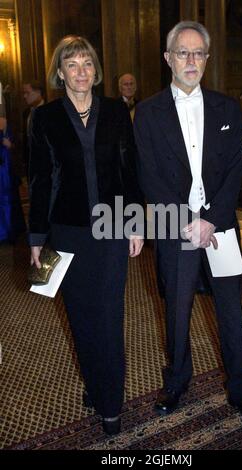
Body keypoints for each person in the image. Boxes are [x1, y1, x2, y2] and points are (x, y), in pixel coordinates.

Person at [134, 21, 242, 426]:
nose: (191, 60)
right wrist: (184, 221)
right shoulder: (148, 112)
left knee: (231, 312)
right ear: (168, 58)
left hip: (220, 230)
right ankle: (176, 381)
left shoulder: (228, 108)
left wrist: (210, 219)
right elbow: (149, 175)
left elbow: (233, 171)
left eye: (198, 53)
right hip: (176, 228)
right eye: (183, 52)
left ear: (207, 59)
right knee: (177, 311)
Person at [28, 35, 144, 436]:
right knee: (81, 318)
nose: (81, 71)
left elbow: (130, 171)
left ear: (96, 71)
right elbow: (42, 180)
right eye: (72, 64)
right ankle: (96, 385)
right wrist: (36, 238)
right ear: (60, 73)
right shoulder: (44, 118)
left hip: (112, 230)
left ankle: (110, 400)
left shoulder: (115, 112)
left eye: (87, 64)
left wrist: (136, 224)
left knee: (110, 317)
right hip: (67, 233)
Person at [0, 117, 26, 242]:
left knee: (8, 199)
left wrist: (10, 145)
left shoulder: (6, 123)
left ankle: (10, 230)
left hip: (6, 169)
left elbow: (18, 145)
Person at [22, 81, 45, 177]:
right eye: (24, 93)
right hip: (30, 164)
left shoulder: (49, 111)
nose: (24, 96)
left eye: (27, 93)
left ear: (38, 92)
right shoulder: (26, 113)